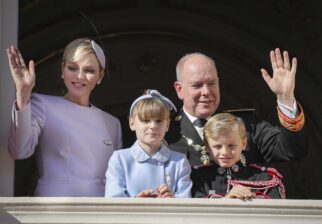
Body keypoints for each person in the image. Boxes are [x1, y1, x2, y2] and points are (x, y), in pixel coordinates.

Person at [7, 38, 122, 197]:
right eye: (72, 68)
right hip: (55, 211)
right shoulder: (43, 104)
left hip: (99, 213)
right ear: (63, 69)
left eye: (89, 70)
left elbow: (117, 179)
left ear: (100, 76)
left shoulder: (112, 123)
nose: (79, 76)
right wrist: (23, 94)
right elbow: (19, 151)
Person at [167, 48, 308, 169]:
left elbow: (292, 150)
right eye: (197, 85)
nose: (206, 91)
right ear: (179, 90)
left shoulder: (246, 125)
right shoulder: (166, 132)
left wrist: (286, 97)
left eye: (212, 83)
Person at [105, 89, 192, 198]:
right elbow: (113, 201)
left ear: (167, 125)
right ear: (132, 123)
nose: (153, 126)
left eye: (159, 121)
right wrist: (137, 203)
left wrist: (172, 200)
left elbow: (186, 206)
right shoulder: (120, 159)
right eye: (146, 121)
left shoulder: (179, 162)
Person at [192, 113, 286, 199]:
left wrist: (255, 200)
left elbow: (277, 212)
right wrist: (226, 200)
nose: (225, 152)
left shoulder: (264, 178)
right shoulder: (197, 178)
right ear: (207, 146)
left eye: (231, 146)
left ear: (244, 143)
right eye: (217, 146)